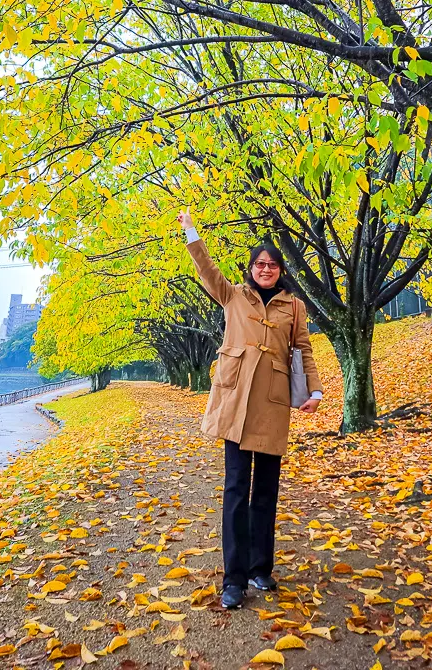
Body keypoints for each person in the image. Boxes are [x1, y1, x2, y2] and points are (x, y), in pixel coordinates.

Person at [178, 210, 323, 610]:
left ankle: (261, 568)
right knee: (236, 490)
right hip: (237, 403)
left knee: (266, 492)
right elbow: (206, 269)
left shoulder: (293, 308)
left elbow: (305, 350)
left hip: (274, 404)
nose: (266, 269)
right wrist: (192, 231)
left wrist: (316, 390)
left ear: (280, 271)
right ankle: (234, 578)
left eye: (273, 265)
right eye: (260, 264)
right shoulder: (233, 296)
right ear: (251, 269)